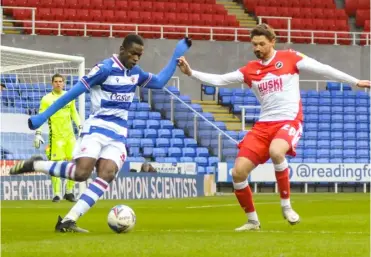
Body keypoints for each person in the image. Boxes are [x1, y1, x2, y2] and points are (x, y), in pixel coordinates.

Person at [177, 24, 370, 231]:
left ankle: (286, 206)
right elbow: (221, 79)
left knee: (276, 151)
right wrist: (191, 73)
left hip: (289, 120)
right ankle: (253, 221)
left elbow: (323, 69)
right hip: (263, 126)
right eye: (254, 44)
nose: (257, 48)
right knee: (238, 173)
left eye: (261, 44)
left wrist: (355, 81)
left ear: (272, 42)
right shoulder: (250, 69)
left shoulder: (290, 57)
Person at [10, 34, 191, 233]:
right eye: (133, 54)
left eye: (139, 55)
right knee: (81, 173)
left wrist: (176, 56)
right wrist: (42, 117)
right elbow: (72, 94)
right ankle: (35, 164)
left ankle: (69, 220)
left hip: (119, 133)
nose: (136, 59)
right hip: (97, 128)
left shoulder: (135, 73)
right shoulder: (104, 69)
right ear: (122, 50)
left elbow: (158, 82)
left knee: (108, 173)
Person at [35, 74, 81, 202]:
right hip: (55, 138)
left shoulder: (69, 96)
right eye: (56, 81)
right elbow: (41, 116)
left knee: (73, 163)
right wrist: (38, 133)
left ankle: (69, 192)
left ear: (64, 83)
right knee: (56, 165)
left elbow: (74, 113)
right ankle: (57, 193)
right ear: (52, 83)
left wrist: (80, 126)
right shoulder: (46, 99)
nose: (58, 83)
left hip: (70, 137)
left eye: (61, 81)